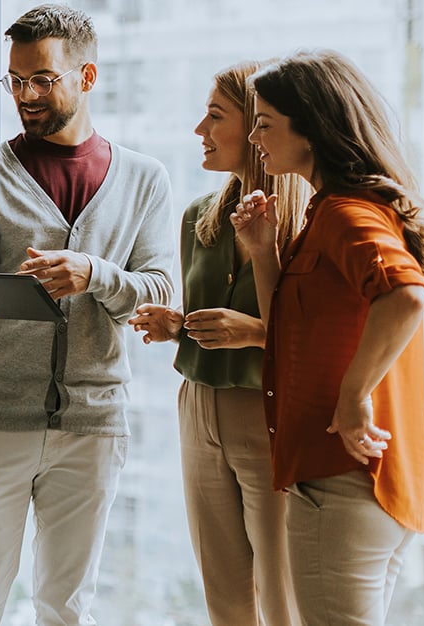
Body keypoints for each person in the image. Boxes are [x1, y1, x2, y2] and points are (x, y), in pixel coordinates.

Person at [0, 3, 176, 626]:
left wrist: (93, 274)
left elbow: (159, 291)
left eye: (42, 79)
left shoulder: (145, 179)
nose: (26, 95)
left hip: (93, 422)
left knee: (68, 607)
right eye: (15, 80)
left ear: (87, 78)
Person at [231, 49, 424, 625]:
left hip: (343, 480)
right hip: (355, 484)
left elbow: (406, 295)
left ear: (313, 128)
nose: (254, 137)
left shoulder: (347, 214)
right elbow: (290, 338)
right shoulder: (326, 215)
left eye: (266, 123)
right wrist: (263, 254)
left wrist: (352, 400)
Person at [128, 61, 310, 625]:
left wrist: (253, 333)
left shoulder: (305, 222)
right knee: (223, 589)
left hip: (266, 412)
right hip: (197, 406)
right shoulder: (198, 218)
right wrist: (177, 325)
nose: (198, 130)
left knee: (281, 590)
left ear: (258, 128)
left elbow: (312, 333)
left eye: (214, 116)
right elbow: (218, 316)